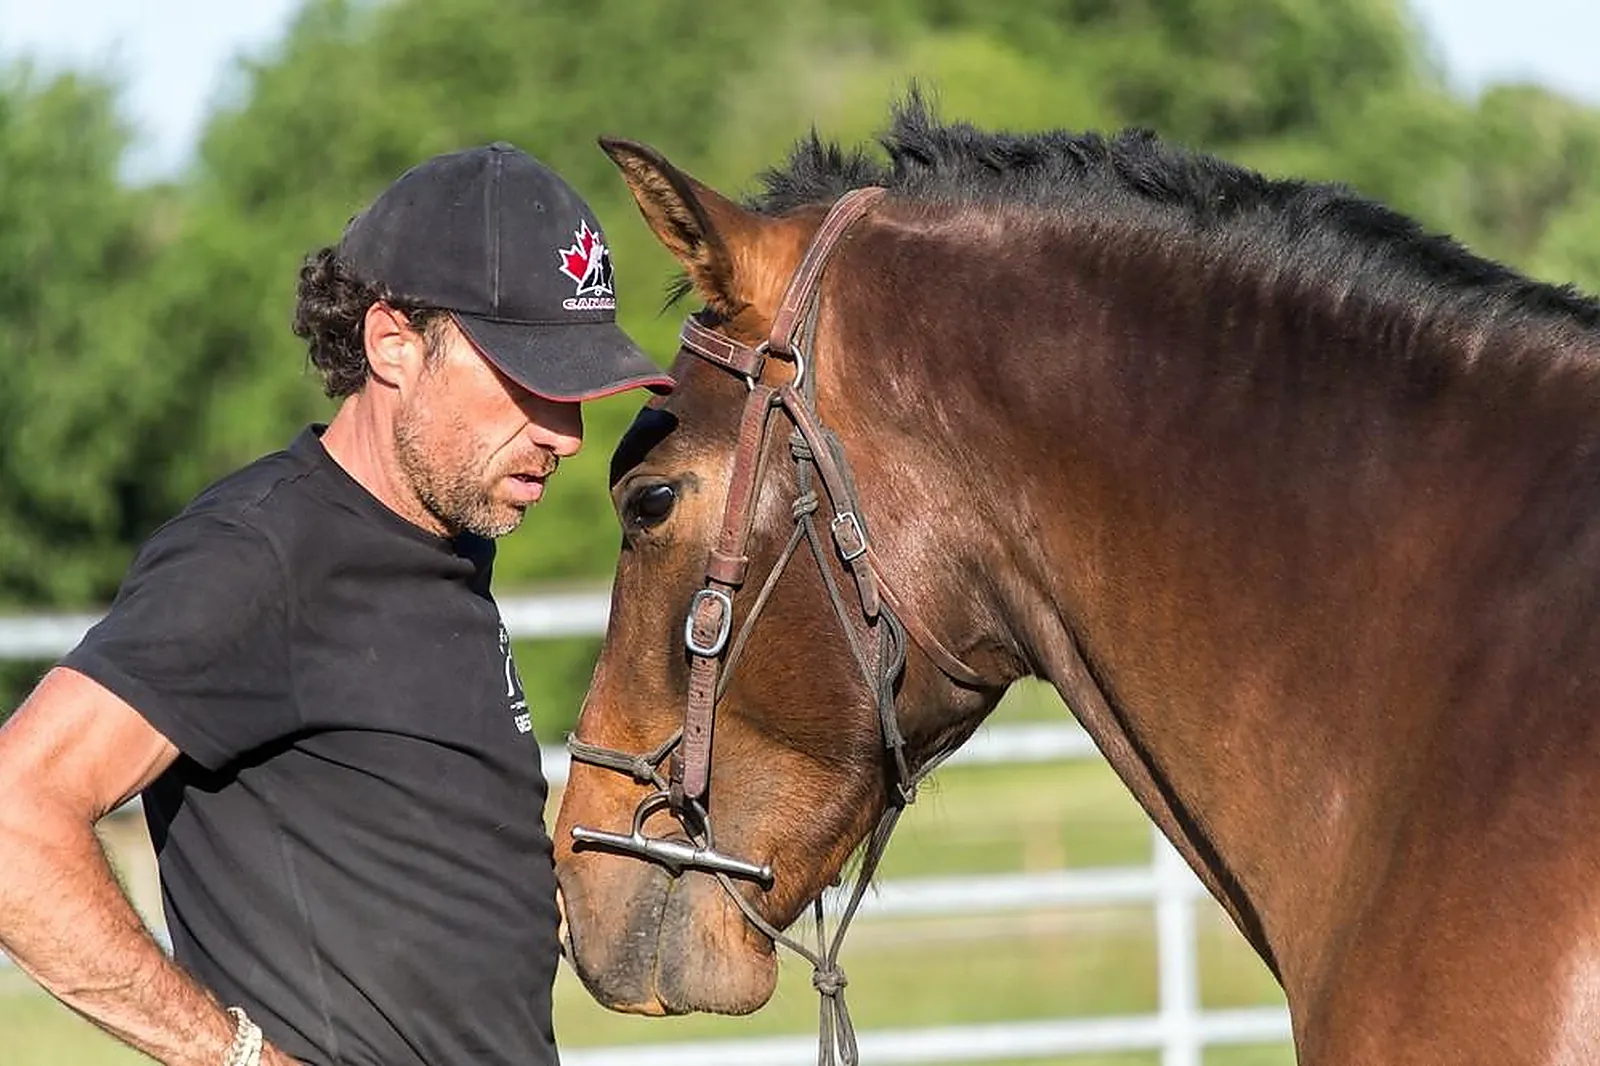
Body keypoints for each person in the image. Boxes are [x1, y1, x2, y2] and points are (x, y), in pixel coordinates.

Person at [0, 142, 673, 1066]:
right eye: (528, 380)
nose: (566, 434)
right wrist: (235, 1056)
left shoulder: (450, 548)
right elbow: (15, 816)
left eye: (578, 389)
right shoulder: (258, 556)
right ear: (393, 342)